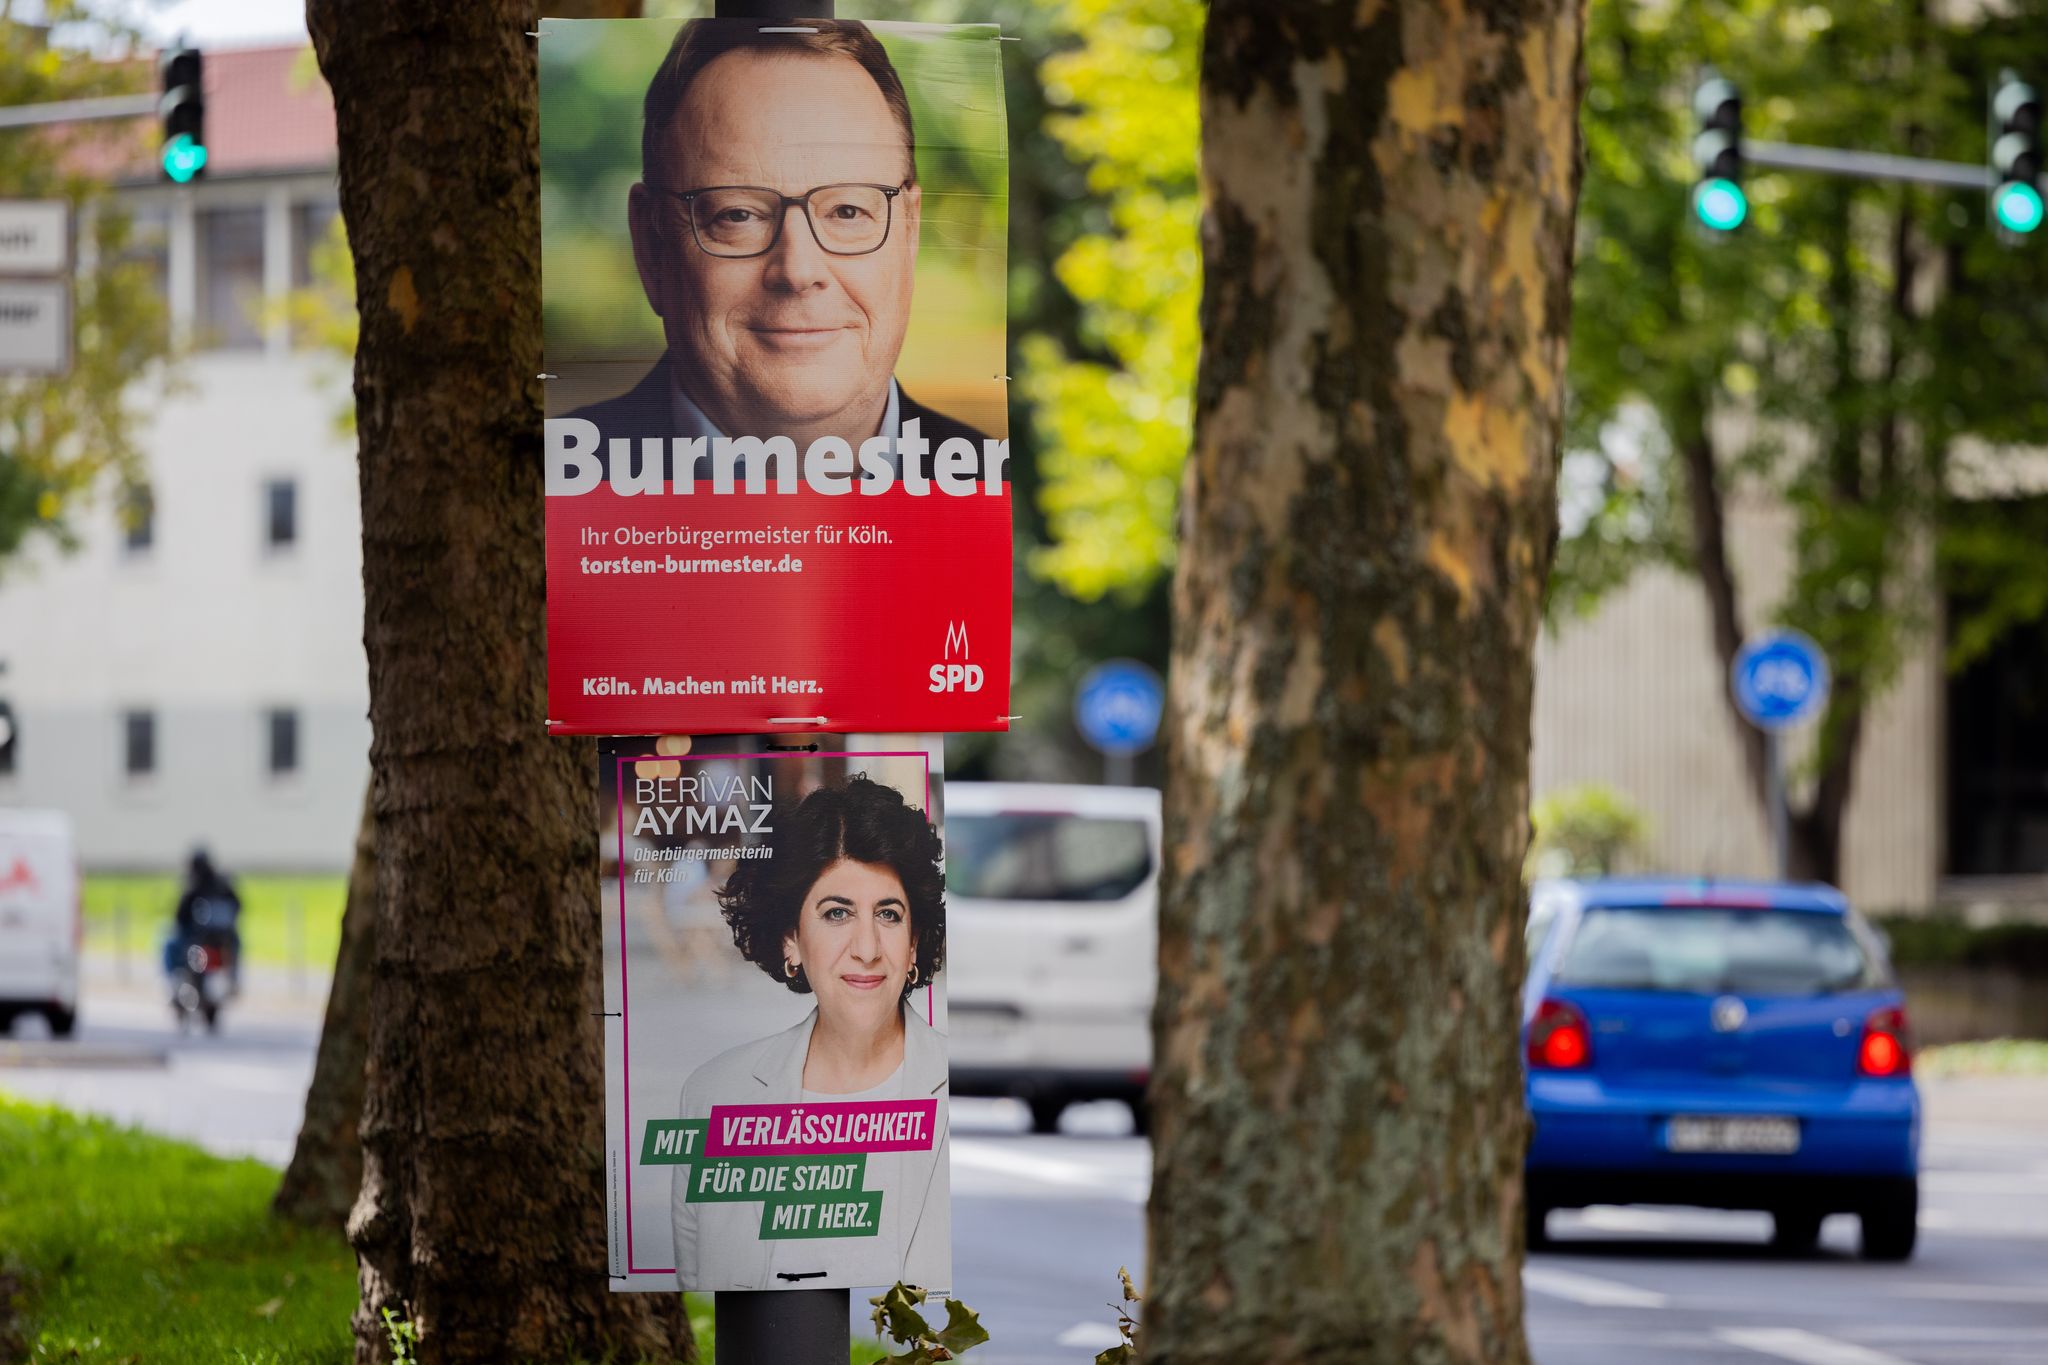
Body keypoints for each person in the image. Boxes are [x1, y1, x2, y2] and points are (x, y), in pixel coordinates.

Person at [572, 19, 991, 466]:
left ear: (909, 232)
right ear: (651, 247)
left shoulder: (1012, 489)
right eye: (737, 215)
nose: (798, 271)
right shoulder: (537, 491)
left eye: (847, 212)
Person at [671, 774, 949, 1291]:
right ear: (790, 940)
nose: (867, 947)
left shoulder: (960, 1089)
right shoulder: (714, 1096)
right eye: (837, 913)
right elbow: (701, 1293)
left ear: (914, 945)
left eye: (888, 914)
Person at [169, 848, 242, 995]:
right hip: (225, 937)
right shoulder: (223, 884)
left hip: (199, 937)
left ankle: (174, 982)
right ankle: (233, 978)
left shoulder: (193, 885)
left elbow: (180, 915)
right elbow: (238, 905)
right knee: (236, 945)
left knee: (170, 945)